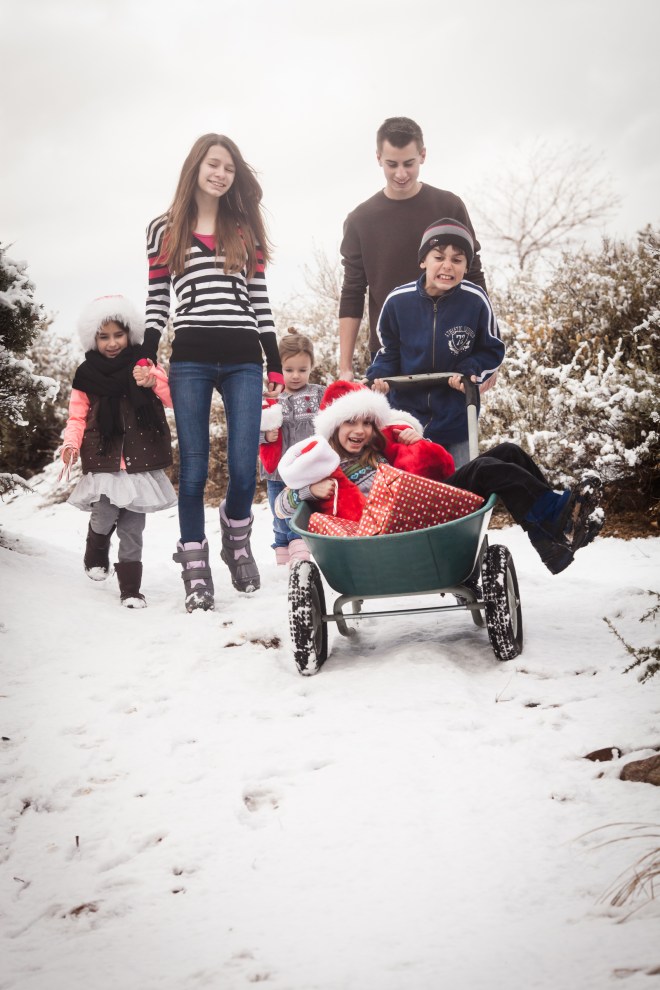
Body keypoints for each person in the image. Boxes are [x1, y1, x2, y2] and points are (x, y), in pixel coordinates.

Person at [143, 133, 283, 612]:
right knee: (194, 469)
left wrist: (276, 362)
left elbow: (259, 300)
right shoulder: (164, 229)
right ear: (195, 167)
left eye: (228, 167)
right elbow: (158, 299)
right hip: (191, 358)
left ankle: (236, 540)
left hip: (245, 355)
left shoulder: (243, 229)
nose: (221, 173)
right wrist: (146, 350)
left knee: (246, 469)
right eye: (213, 164)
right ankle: (195, 565)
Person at [275, 381, 604, 575]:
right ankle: (557, 528)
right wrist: (305, 491)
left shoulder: (379, 450)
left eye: (366, 423)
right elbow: (281, 507)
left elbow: (426, 465)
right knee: (486, 470)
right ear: (334, 427)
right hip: (391, 528)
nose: (359, 431)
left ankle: (553, 536)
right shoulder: (323, 465)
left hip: (420, 504)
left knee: (507, 452)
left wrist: (415, 441)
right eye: (349, 423)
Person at [338, 116, 487, 378]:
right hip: (391, 352)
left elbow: (473, 274)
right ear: (378, 158)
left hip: (452, 348)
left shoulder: (449, 206)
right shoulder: (360, 220)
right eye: (391, 164)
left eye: (409, 163)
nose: (401, 173)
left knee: (458, 420)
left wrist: (483, 352)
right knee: (397, 422)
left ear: (423, 155)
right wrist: (345, 366)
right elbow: (352, 291)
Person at [61, 295, 176, 608]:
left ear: (130, 334)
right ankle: (96, 546)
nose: (112, 343)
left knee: (133, 528)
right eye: (104, 336)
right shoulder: (86, 376)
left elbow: (171, 399)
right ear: (93, 339)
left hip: (141, 463)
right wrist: (71, 443)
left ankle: (130, 590)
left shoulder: (144, 366)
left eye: (118, 335)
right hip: (105, 461)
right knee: (105, 513)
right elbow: (77, 417)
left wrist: (152, 380)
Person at [368, 218, 505, 468]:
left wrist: (469, 370)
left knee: (461, 483)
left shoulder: (474, 300)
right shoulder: (398, 301)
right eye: (439, 257)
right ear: (423, 261)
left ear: (466, 266)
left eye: (457, 260)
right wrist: (379, 378)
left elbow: (491, 348)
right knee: (413, 483)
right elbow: (389, 350)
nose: (447, 266)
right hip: (407, 414)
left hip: (456, 413)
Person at [259, 328, 325, 566]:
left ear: (311, 367)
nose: (295, 376)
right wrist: (266, 435)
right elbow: (249, 431)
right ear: (277, 368)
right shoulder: (269, 398)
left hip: (307, 468)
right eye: (289, 370)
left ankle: (300, 546)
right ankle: (282, 547)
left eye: (302, 370)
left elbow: (332, 423)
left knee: (301, 508)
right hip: (277, 469)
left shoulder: (318, 394)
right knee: (279, 511)